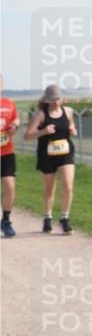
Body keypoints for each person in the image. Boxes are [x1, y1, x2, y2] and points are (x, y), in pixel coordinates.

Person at [23, 84, 76, 234]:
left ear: (62, 98)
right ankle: (48, 217)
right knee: (49, 188)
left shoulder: (68, 111)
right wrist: (43, 131)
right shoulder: (41, 114)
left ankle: (65, 218)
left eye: (58, 99)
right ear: (46, 100)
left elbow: (71, 125)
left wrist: (73, 129)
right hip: (47, 155)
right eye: (52, 100)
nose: (55, 103)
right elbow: (27, 136)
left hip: (65, 153)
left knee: (68, 186)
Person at [1, 75, 19, 237]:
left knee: (9, 185)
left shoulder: (9, 103)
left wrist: (15, 125)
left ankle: (6, 220)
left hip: (6, 152)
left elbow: (16, 119)